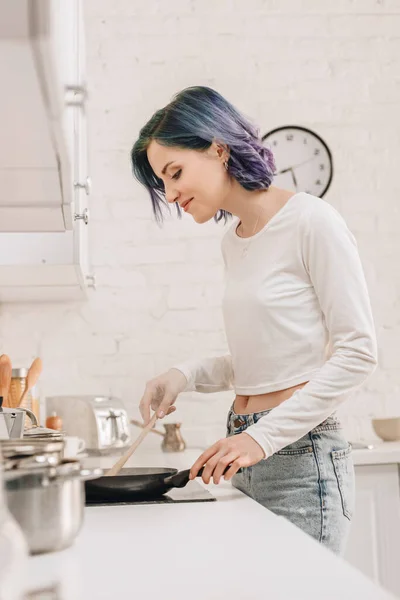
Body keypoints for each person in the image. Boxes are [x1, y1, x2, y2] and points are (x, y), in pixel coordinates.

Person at [130, 86, 377, 554]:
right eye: (162, 181)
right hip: (244, 449)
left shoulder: (312, 221)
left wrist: (260, 441)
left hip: (298, 459)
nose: (170, 193)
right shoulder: (235, 241)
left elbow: (358, 353)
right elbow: (263, 356)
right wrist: (184, 374)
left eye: (175, 172)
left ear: (218, 148)